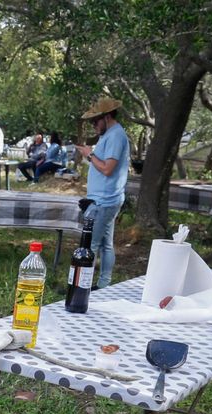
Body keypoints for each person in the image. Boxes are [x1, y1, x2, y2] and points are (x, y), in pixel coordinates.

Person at [76, 97, 130, 287]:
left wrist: (89, 154)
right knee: (106, 245)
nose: (93, 125)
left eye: (95, 121)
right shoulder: (110, 134)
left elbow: (108, 168)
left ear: (106, 117)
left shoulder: (116, 135)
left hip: (105, 201)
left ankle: (83, 288)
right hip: (103, 199)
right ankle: (103, 286)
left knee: (90, 246)